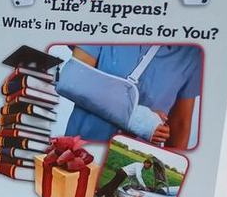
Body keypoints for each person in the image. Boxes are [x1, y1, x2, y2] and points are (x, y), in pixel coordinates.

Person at [63, 45, 202, 149]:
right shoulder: (108, 17)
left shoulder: (192, 53)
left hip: (138, 154)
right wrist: (137, 117)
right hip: (81, 148)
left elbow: (179, 123)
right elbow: (72, 81)